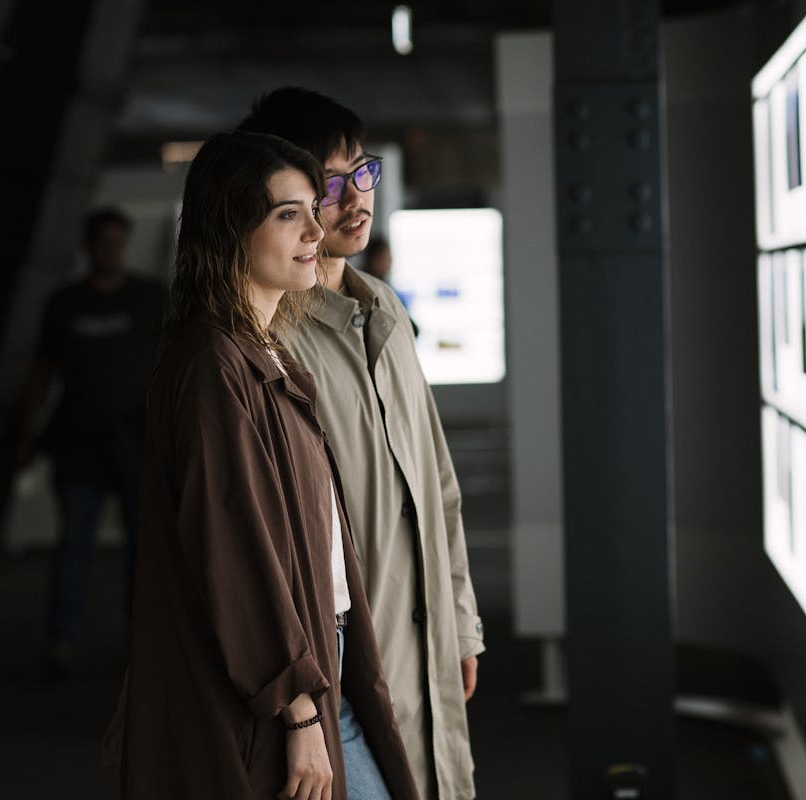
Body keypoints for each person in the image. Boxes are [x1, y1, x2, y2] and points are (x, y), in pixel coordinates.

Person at [119, 130, 418, 800]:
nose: (317, 228)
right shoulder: (213, 364)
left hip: (322, 660)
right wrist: (298, 707)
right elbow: (234, 549)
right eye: (289, 214)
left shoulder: (263, 353)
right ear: (232, 227)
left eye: (314, 208)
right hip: (283, 693)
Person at [240, 88, 484, 799]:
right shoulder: (271, 335)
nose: (356, 200)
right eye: (329, 185)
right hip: (340, 663)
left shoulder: (385, 308)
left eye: (362, 173)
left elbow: (436, 483)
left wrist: (462, 623)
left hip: (425, 634)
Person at [17, 206, 166, 676]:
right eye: (103, 243)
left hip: (136, 442)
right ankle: (62, 644)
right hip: (78, 443)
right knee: (74, 545)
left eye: (117, 242)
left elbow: (175, 365)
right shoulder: (66, 304)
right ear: (89, 246)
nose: (111, 251)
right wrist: (27, 430)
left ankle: (143, 644)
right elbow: (42, 372)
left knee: (145, 550)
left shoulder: (149, 299)